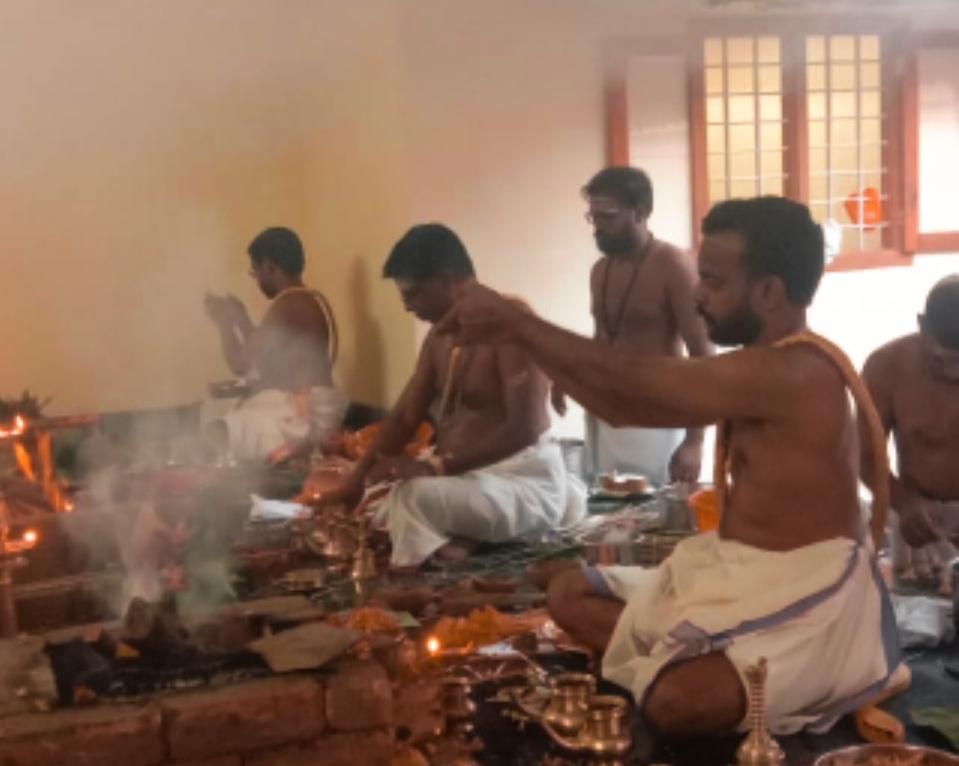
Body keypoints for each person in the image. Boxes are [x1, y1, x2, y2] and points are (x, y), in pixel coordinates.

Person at [440, 197, 900, 738]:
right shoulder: (763, 362)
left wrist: (518, 324)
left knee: (675, 703)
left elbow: (630, 396)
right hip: (737, 572)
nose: (698, 296)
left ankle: (712, 666)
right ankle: (684, 653)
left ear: (770, 292)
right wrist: (529, 337)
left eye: (713, 281)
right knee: (568, 594)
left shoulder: (794, 372)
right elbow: (619, 396)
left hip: (808, 599)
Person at [315, 224, 586, 569]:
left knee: (412, 498)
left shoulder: (510, 325)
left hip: (521, 483)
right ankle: (462, 538)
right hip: (466, 481)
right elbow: (404, 417)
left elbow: (527, 428)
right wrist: (355, 482)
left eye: (412, 294)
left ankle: (437, 558)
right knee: (372, 499)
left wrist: (436, 466)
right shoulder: (439, 338)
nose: (407, 306)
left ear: (445, 280)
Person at [573, 166, 711, 487]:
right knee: (608, 521)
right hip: (607, 418)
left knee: (656, 527)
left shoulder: (674, 266)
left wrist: (695, 442)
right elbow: (602, 342)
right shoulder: (600, 270)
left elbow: (703, 355)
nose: (598, 228)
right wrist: (571, 376)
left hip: (659, 421)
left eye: (608, 217)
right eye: (593, 218)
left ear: (641, 212)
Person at [202, 227, 345, 464]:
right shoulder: (303, 299)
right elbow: (264, 345)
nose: (256, 279)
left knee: (223, 427)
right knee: (217, 410)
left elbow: (240, 363)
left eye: (254, 271)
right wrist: (241, 318)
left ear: (269, 265)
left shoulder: (288, 304)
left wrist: (223, 323)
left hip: (303, 417)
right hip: (301, 405)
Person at [863, 276, 959, 588]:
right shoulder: (886, 367)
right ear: (922, 326)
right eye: (943, 359)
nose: (952, 374)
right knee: (920, 623)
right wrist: (905, 504)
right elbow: (864, 455)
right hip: (918, 519)